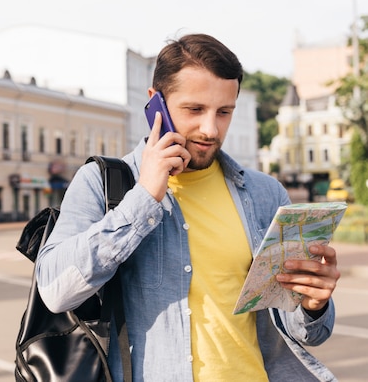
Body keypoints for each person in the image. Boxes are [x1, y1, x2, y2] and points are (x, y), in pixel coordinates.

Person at [35, 33, 339, 381]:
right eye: (194, 109)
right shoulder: (102, 183)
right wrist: (144, 198)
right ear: (155, 103)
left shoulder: (265, 194)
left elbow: (306, 334)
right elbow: (56, 292)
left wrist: (313, 304)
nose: (210, 129)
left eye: (224, 112)